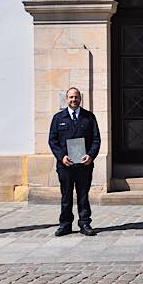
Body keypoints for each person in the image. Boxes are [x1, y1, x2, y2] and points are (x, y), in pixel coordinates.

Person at [48, 87, 101, 237]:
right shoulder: (58, 118)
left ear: (80, 99)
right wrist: (61, 156)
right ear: (66, 99)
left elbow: (96, 139)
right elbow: (53, 141)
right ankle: (65, 224)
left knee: (83, 194)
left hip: (84, 165)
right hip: (66, 165)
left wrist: (90, 156)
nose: (73, 100)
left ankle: (84, 222)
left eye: (76, 97)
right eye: (71, 97)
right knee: (66, 195)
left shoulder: (89, 117)